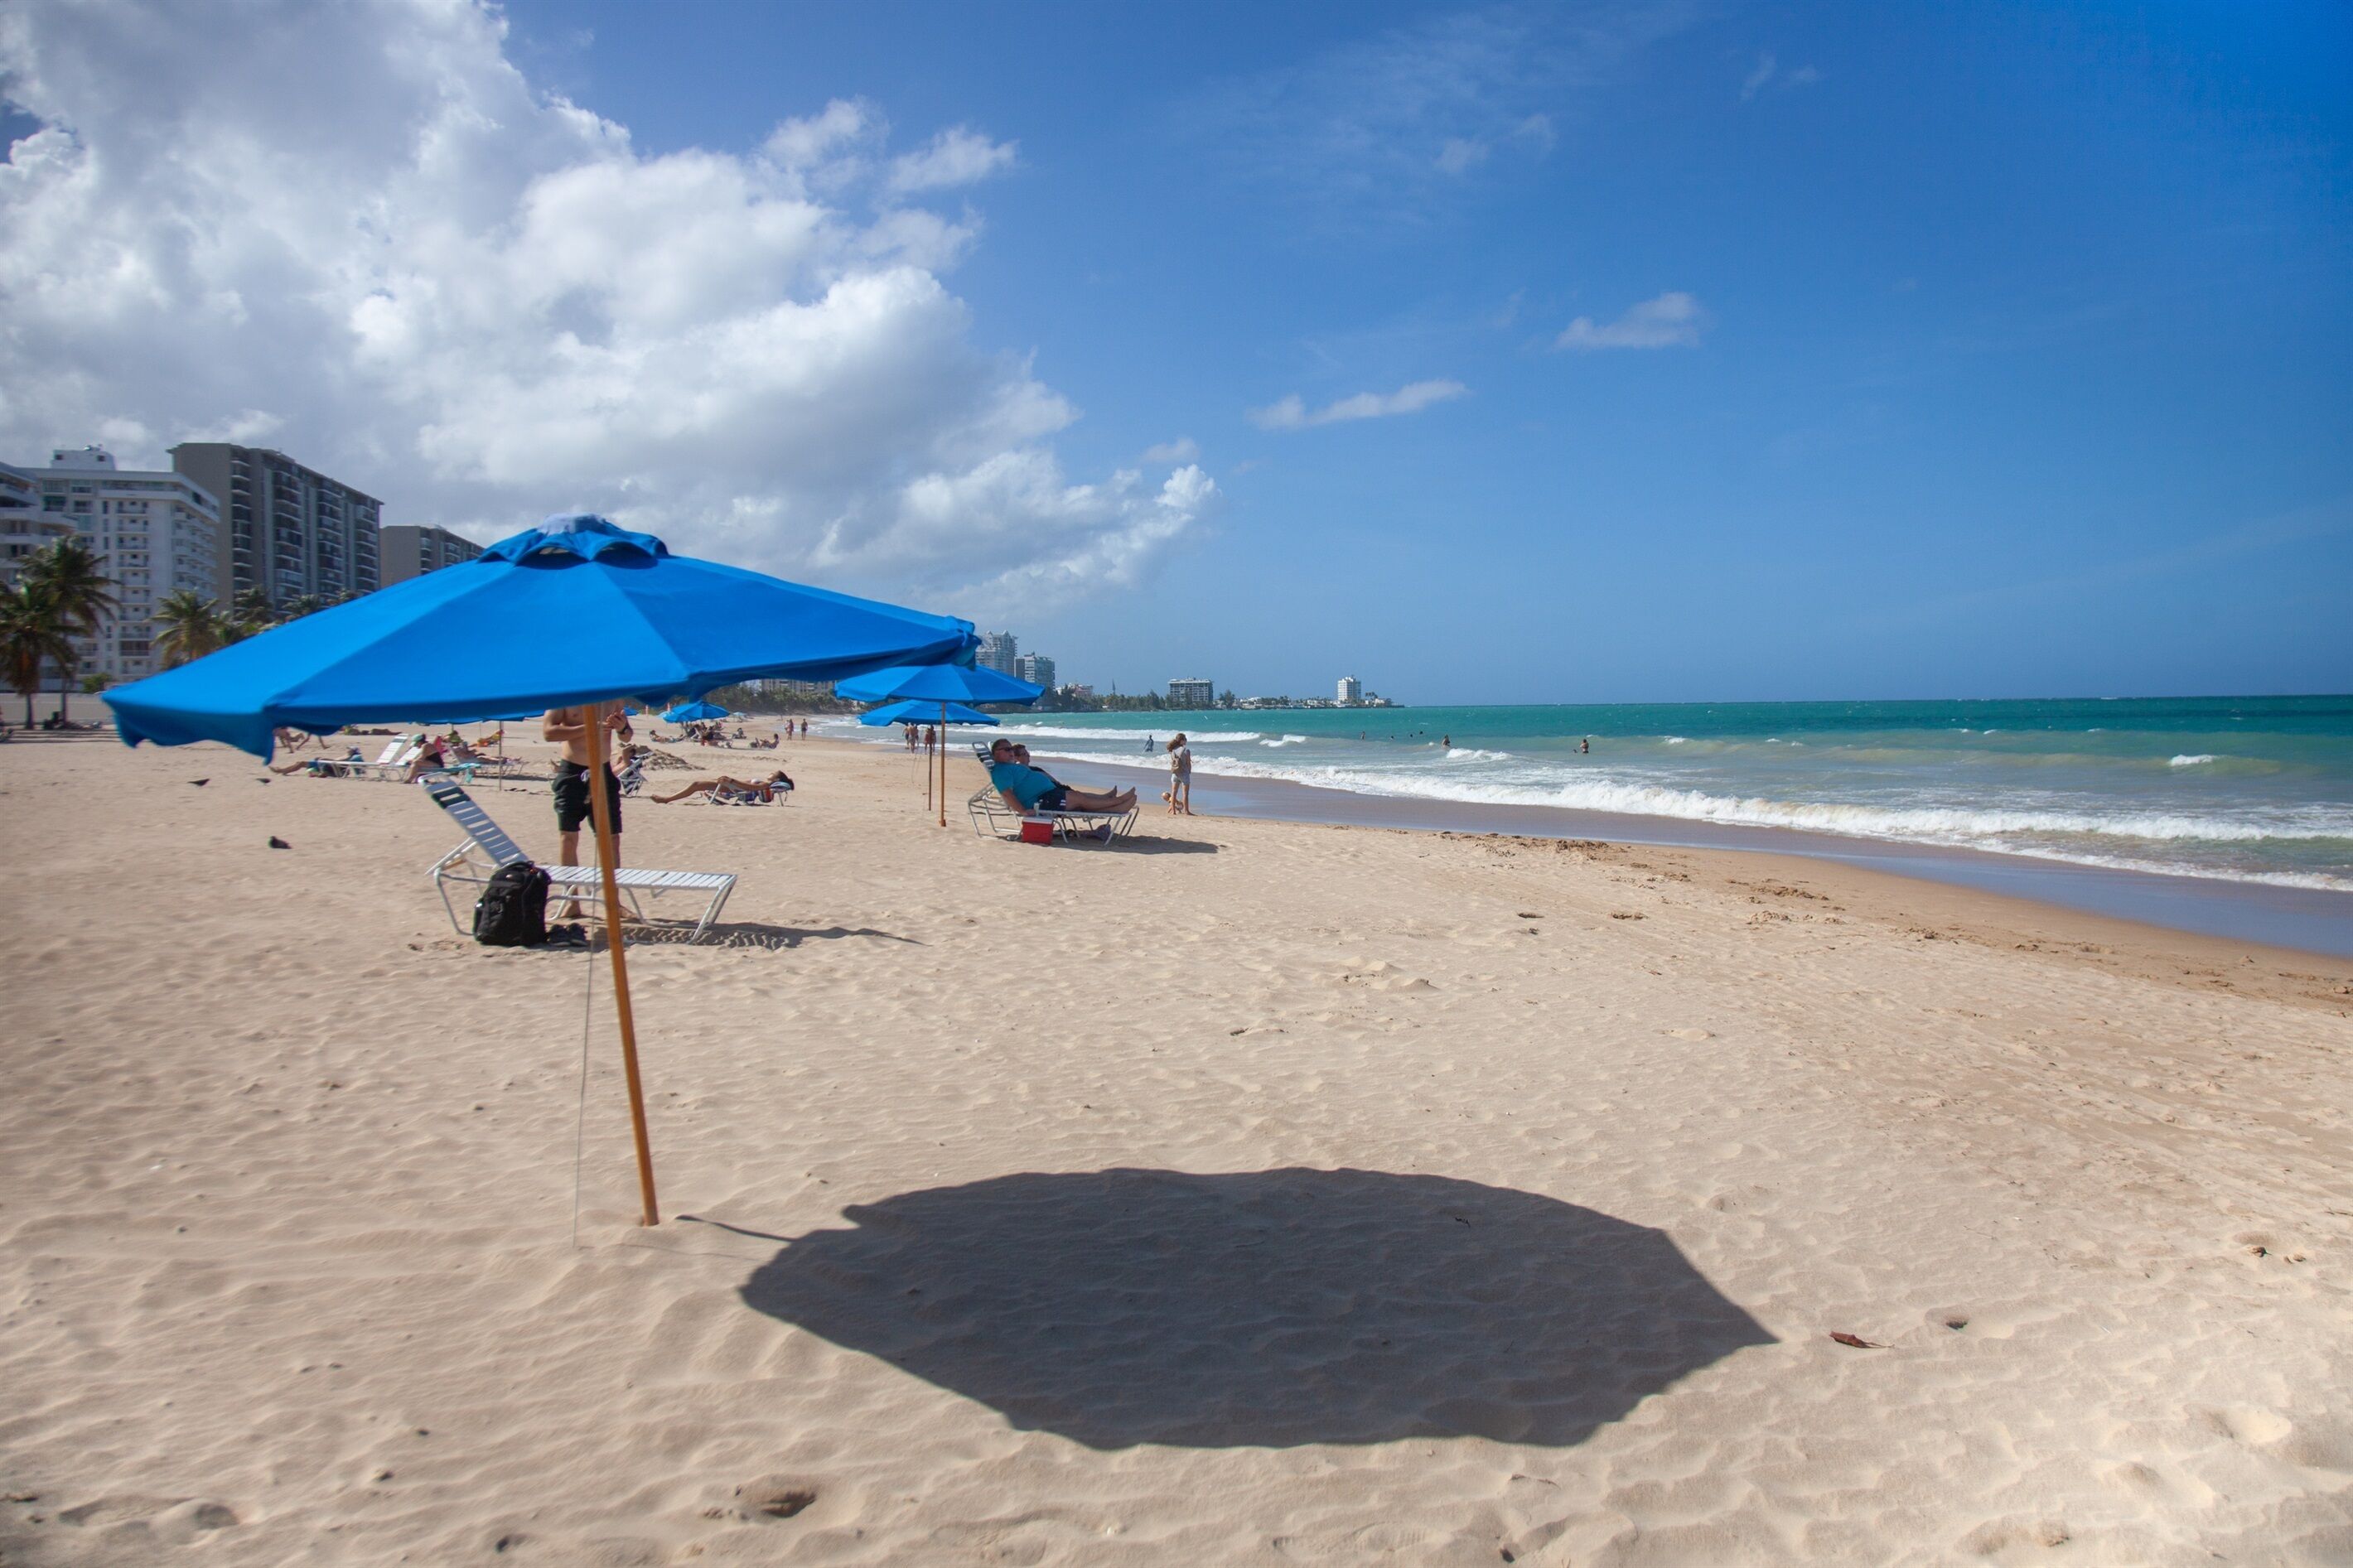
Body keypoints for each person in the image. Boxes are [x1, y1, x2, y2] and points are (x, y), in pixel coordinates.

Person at [544, 706, 630, 911]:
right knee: (568, 838)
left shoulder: (612, 698)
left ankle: (613, 902)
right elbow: (548, 733)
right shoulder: (565, 697)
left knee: (611, 838)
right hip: (572, 771)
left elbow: (626, 737)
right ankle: (571, 901)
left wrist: (622, 728)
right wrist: (589, 728)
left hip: (603, 770)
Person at [987, 737, 1136, 816]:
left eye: (1011, 748)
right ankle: (1118, 802)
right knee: (1079, 799)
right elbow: (1007, 793)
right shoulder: (1000, 771)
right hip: (1040, 800)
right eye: (1006, 749)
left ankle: (1117, 808)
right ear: (995, 754)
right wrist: (1022, 811)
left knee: (1079, 800)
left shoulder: (1011, 767)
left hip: (1047, 793)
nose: (1010, 751)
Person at [653, 769, 792, 804]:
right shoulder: (765, 783)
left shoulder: (766, 784)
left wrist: (731, 780)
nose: (770, 773)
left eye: (773, 773)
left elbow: (750, 788)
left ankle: (667, 799)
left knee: (696, 785)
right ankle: (668, 798)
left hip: (734, 789)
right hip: (733, 787)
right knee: (697, 785)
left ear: (777, 779)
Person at [1164, 732, 1193, 814]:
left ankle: (1173, 811)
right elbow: (1188, 763)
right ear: (1181, 741)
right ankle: (1186, 811)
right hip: (1184, 773)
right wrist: (1189, 771)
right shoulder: (1186, 750)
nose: (1186, 741)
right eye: (1185, 739)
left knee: (1174, 792)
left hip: (1175, 773)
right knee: (1185, 794)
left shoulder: (1172, 750)